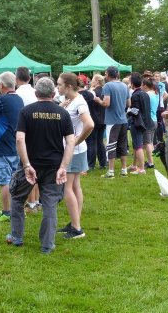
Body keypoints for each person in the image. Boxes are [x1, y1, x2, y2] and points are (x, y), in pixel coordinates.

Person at [7, 77, 75, 253]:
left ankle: (16, 236)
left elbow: (20, 139)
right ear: (53, 94)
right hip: (54, 165)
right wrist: (63, 166)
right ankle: (47, 244)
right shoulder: (63, 113)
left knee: (17, 198)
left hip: (30, 165)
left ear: (36, 93)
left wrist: (27, 164)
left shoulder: (26, 112)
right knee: (50, 204)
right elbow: (70, 142)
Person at [56, 73, 94, 239]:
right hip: (75, 150)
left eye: (59, 84)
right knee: (75, 186)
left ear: (69, 86)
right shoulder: (71, 101)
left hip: (74, 151)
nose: (57, 87)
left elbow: (89, 124)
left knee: (67, 188)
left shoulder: (79, 102)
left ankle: (77, 229)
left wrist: (76, 141)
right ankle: (74, 223)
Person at [0, 72, 24, 222]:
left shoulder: (1, 100)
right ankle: (17, 209)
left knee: (4, 181)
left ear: (1, 85)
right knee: (15, 179)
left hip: (2, 146)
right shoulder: (19, 99)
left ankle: (6, 212)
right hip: (15, 144)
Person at [95, 66, 130, 179]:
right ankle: (124, 170)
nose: (105, 75)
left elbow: (106, 103)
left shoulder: (108, 86)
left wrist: (98, 100)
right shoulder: (124, 86)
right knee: (123, 145)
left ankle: (110, 172)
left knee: (111, 145)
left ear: (108, 75)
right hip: (123, 120)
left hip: (112, 121)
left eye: (105, 73)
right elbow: (128, 103)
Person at [15, 66, 40, 213]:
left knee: (27, 167)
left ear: (17, 78)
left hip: (25, 133)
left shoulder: (17, 94)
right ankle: (36, 201)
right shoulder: (35, 92)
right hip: (39, 131)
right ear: (29, 78)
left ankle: (31, 203)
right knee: (36, 167)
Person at [126, 73, 154, 175]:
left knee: (138, 146)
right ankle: (134, 165)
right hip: (146, 122)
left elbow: (135, 111)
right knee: (136, 145)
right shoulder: (145, 94)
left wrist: (128, 112)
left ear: (132, 84)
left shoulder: (135, 95)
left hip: (138, 124)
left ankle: (141, 169)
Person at [88, 74, 107, 170]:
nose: (91, 81)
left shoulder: (92, 93)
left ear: (97, 81)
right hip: (103, 119)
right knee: (100, 141)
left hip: (94, 119)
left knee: (92, 142)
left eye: (92, 80)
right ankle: (103, 163)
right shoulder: (105, 91)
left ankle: (91, 164)